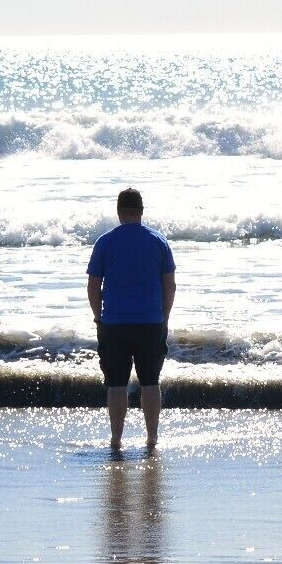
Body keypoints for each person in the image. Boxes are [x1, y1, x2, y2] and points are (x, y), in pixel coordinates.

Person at [85, 187, 176, 456]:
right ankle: (152, 438)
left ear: (118, 211)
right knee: (150, 381)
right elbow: (170, 286)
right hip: (151, 321)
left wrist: (98, 316)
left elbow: (93, 286)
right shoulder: (158, 241)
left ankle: (116, 439)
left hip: (114, 324)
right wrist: (164, 315)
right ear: (141, 211)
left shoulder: (105, 242)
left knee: (116, 383)